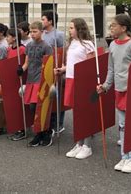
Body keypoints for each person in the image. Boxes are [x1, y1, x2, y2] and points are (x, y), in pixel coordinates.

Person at [97, 14, 131, 173]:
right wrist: (105, 85)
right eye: (111, 26)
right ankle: (125, 156)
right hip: (119, 89)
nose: (111, 28)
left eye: (114, 25)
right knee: (122, 125)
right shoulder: (113, 45)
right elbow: (111, 69)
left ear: (123, 28)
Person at [54, 18, 95, 159]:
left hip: (82, 81)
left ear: (79, 29)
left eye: (72, 28)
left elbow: (90, 65)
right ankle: (79, 142)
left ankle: (87, 145)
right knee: (77, 113)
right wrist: (62, 69)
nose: (69, 30)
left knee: (85, 113)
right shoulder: (71, 43)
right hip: (71, 79)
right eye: (69, 28)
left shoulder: (88, 44)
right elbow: (72, 63)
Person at [17, 21, 52, 145]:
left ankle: (45, 132)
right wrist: (22, 69)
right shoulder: (29, 46)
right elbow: (27, 63)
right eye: (31, 32)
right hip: (31, 79)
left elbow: (48, 65)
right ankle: (39, 132)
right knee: (32, 107)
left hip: (40, 80)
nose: (32, 34)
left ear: (41, 32)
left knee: (38, 107)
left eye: (35, 31)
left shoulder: (46, 46)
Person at [41, 10, 65, 134]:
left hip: (56, 68)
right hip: (44, 68)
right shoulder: (42, 34)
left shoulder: (59, 34)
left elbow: (62, 52)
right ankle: (49, 121)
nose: (42, 21)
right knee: (47, 94)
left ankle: (59, 123)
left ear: (50, 21)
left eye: (43, 19)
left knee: (57, 95)